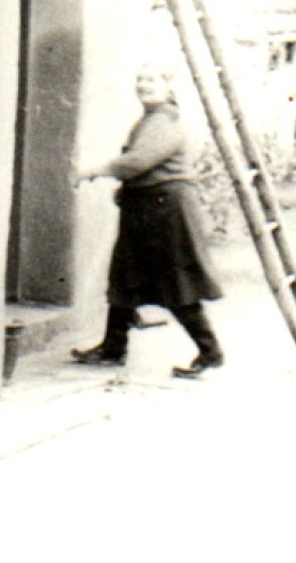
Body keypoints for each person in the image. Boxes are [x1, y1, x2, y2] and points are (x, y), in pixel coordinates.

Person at [71, 64, 224, 379]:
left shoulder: (164, 122)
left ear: (169, 85)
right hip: (146, 208)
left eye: (152, 79)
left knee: (175, 281)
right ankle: (113, 349)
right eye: (140, 79)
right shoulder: (150, 120)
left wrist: (93, 171)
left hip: (166, 213)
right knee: (126, 276)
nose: (143, 85)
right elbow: (141, 169)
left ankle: (210, 352)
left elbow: (138, 162)